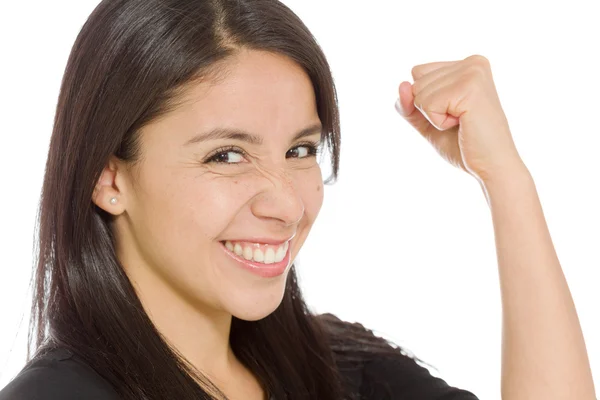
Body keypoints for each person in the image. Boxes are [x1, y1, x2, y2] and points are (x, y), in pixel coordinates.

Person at [0, 0, 595, 399]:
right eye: (227, 155)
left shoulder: (341, 370)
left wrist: (507, 180)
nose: (287, 205)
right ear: (109, 177)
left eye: (300, 150)